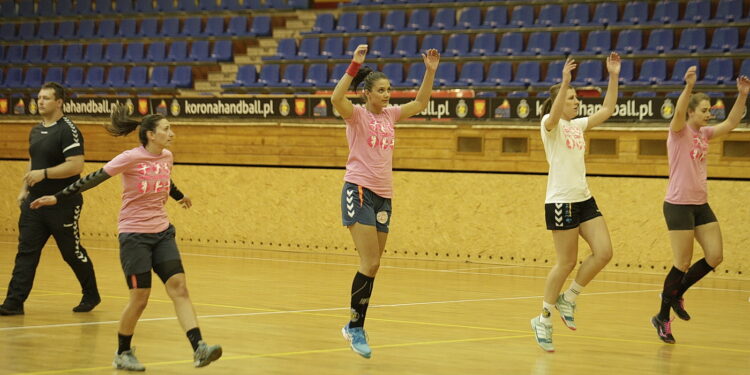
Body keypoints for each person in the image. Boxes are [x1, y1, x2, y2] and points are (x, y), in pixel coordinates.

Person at [30, 105, 222, 370]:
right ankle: (122, 352)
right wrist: (57, 196)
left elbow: (164, 179)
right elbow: (94, 178)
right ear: (151, 135)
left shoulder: (167, 156)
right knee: (140, 297)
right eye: (166, 128)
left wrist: (179, 197)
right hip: (134, 235)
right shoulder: (129, 157)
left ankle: (199, 347)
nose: (171, 133)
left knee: (179, 287)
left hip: (162, 232)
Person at [330, 44, 440, 358]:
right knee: (371, 262)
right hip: (359, 190)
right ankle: (354, 326)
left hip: (384, 197)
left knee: (374, 266)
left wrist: (429, 71)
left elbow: (420, 102)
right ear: (367, 93)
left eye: (389, 90)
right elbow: (336, 99)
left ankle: (356, 326)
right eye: (381, 91)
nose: (387, 95)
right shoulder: (357, 116)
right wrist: (353, 64)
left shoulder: (391, 115)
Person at [651, 67, 750, 344]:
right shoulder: (678, 132)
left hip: (700, 205)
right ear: (692, 112)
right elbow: (679, 110)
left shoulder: (704, 134)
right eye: (705, 110)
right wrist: (688, 87)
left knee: (715, 255)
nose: (709, 114)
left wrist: (742, 95)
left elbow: (731, 123)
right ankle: (662, 317)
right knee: (681, 263)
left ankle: (675, 294)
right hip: (678, 205)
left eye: (710, 110)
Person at [531, 53, 621, 352]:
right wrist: (565, 80)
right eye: (570, 97)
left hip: (584, 198)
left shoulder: (577, 126)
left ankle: (568, 298)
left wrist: (614, 75)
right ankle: (543, 317)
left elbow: (607, 109)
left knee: (604, 252)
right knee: (566, 261)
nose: (576, 101)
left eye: (576, 97)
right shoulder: (550, 123)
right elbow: (554, 116)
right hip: (561, 201)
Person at [0, 82, 100, 316]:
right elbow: (33, 161)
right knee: (26, 252)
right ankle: (13, 303)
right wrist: (24, 188)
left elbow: (76, 165)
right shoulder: (35, 130)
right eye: (39, 97)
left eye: (46, 98)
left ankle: (91, 293)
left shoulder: (68, 130)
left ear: (59, 102)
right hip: (34, 203)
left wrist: (44, 174)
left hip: (62, 202)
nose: (40, 101)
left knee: (71, 252)